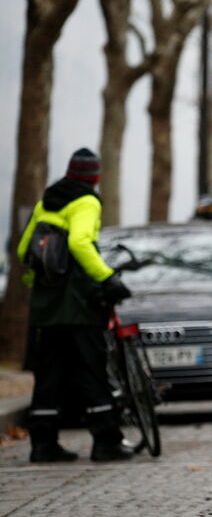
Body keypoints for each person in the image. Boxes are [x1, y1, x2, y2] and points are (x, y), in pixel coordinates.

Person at [17, 148, 134, 462]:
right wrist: (107, 277)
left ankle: (43, 443)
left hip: (47, 304)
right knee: (91, 368)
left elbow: (24, 248)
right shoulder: (86, 201)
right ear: (95, 177)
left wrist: (40, 287)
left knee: (49, 373)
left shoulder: (47, 201)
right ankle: (106, 440)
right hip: (79, 303)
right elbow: (80, 242)